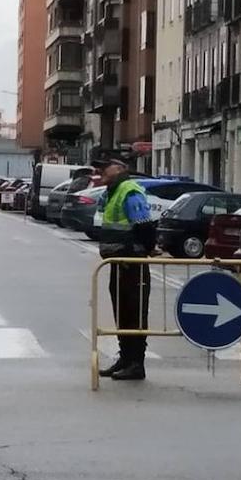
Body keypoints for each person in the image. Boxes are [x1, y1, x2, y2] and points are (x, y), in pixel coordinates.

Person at [94, 157, 156, 381]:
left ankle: (136, 363)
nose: (100, 170)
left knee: (135, 312)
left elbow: (144, 225)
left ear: (120, 169)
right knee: (121, 311)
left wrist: (147, 249)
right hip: (118, 262)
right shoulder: (113, 190)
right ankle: (125, 358)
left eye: (105, 166)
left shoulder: (129, 190)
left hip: (133, 262)